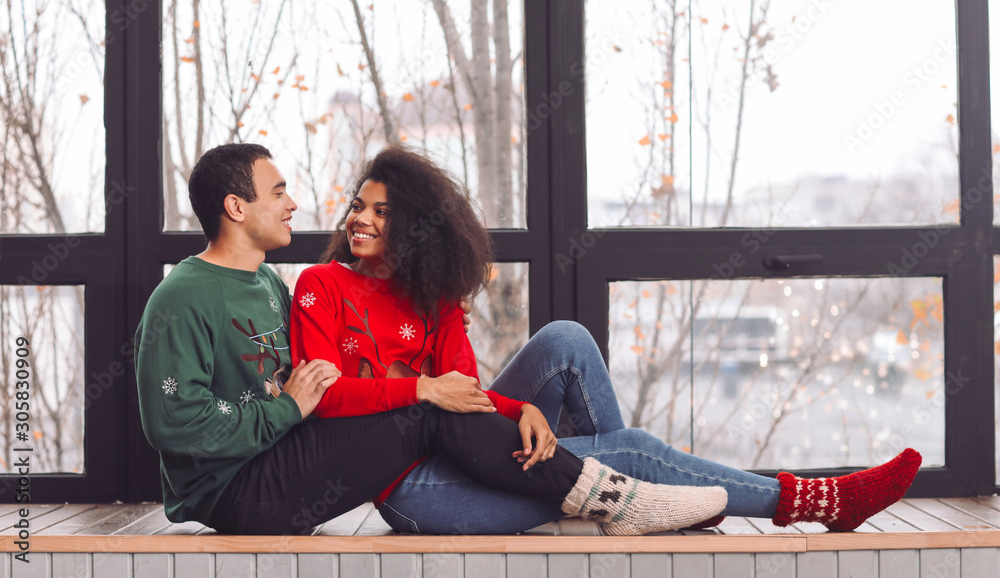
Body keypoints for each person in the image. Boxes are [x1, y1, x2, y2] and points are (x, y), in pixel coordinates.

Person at [290, 144, 923, 535]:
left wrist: (522, 408)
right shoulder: (323, 284)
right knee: (633, 450)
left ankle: (630, 505)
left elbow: (469, 399)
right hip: (418, 492)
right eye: (359, 206)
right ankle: (817, 500)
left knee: (565, 339)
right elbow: (328, 397)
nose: (360, 220)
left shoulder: (433, 297)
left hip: (468, 453)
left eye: (381, 212)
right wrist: (423, 386)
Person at [133, 142, 731, 536]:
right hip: (236, 494)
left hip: (284, 459)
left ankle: (607, 496)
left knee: (452, 394)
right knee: (426, 407)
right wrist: (287, 408)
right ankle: (617, 499)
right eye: (278, 192)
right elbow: (174, 426)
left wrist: (515, 403)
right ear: (236, 207)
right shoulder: (182, 297)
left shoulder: (266, 281)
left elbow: (324, 377)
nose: (293, 203)